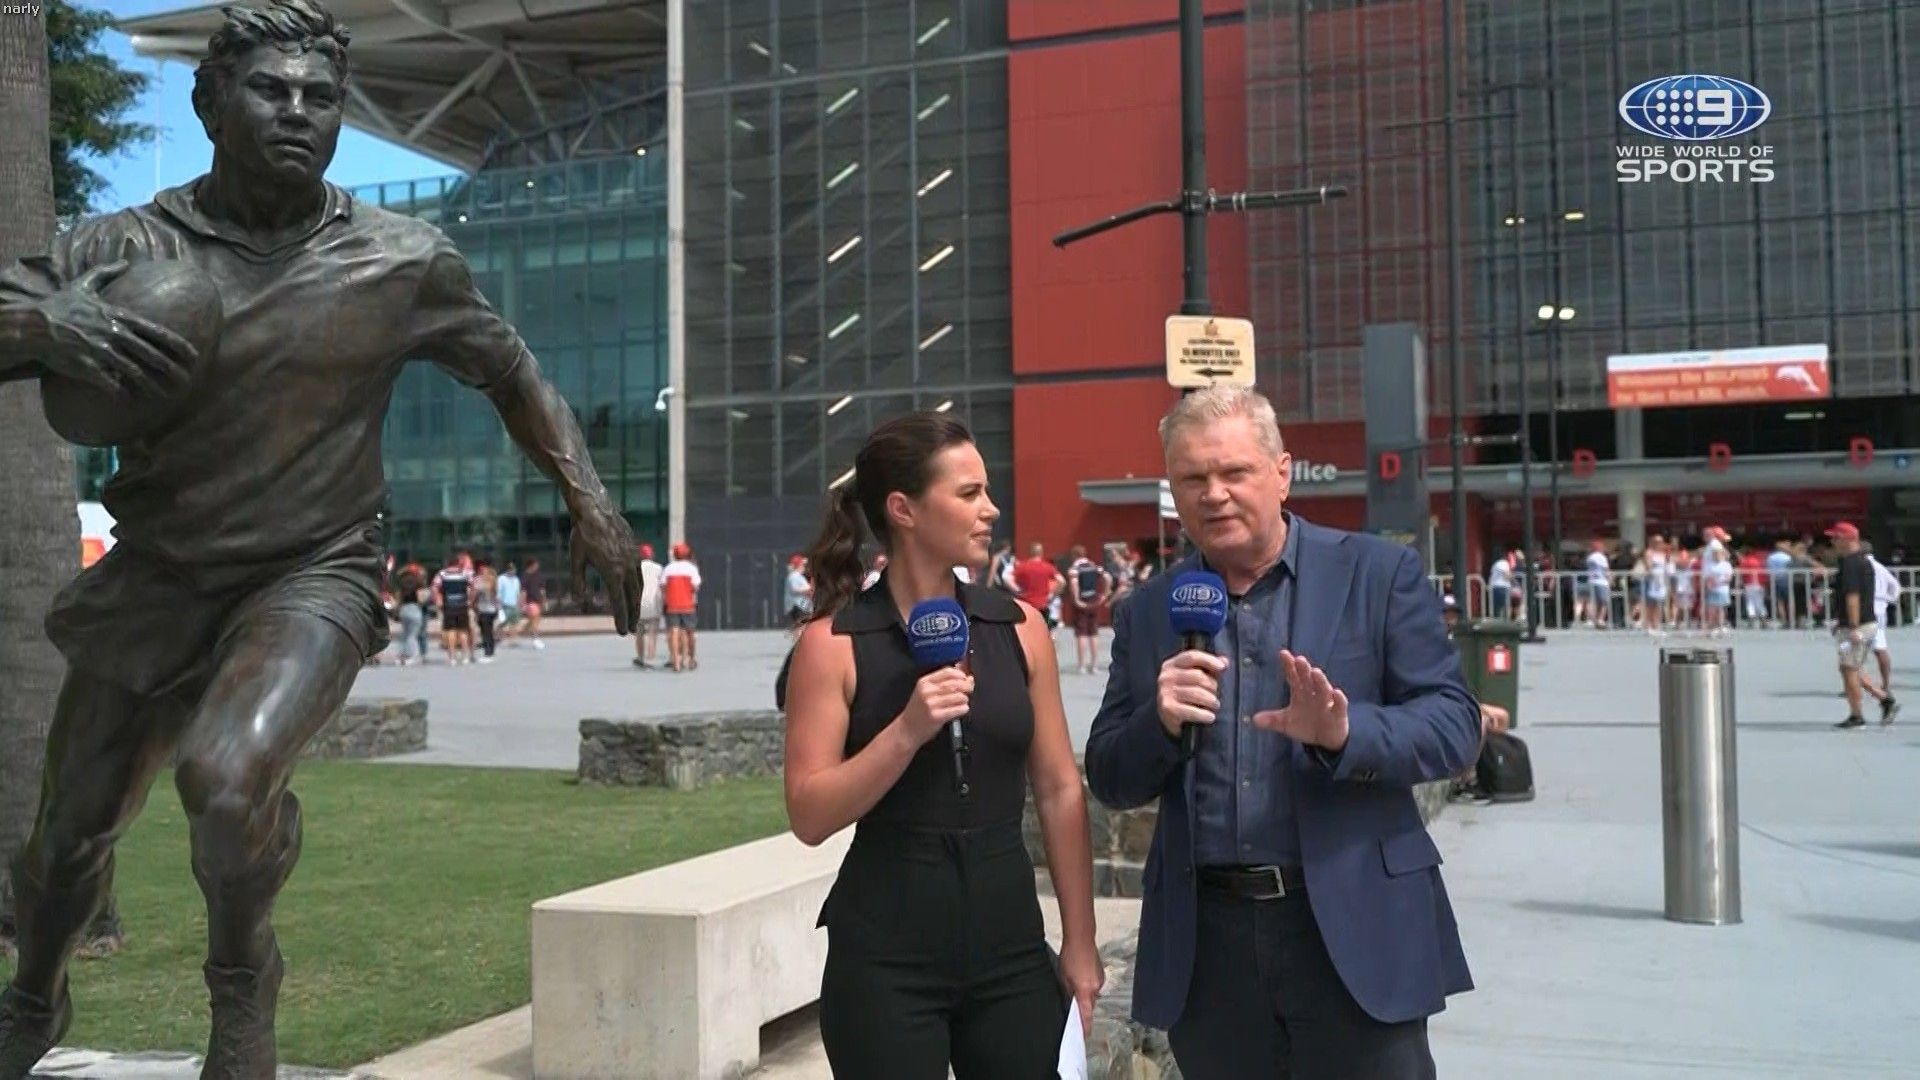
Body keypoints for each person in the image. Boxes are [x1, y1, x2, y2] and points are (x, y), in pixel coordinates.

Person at [0, 4, 644, 1073]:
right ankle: (34, 998)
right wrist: (45, 323)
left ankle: (242, 986)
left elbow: (513, 373)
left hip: (310, 575)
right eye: (270, 90)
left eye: (321, 96)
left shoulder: (401, 260)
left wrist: (595, 505)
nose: (298, 112)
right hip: (159, 576)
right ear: (210, 104)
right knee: (67, 839)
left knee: (226, 780)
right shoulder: (123, 247)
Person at [1085, 386, 1478, 1079]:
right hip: (1210, 951)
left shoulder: (1376, 574)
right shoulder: (1150, 610)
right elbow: (1110, 773)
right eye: (1192, 479)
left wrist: (1346, 732)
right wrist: (1159, 722)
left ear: (1282, 473)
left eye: (1233, 472)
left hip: (1352, 931)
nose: (1214, 494)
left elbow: (1454, 724)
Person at [781, 412, 1101, 1078]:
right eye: (969, 493)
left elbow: (1058, 788)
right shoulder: (832, 644)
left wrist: (1081, 940)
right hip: (883, 961)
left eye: (987, 490)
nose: (991, 509)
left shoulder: (1021, 627)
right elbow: (809, 814)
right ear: (904, 510)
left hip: (1011, 951)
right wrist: (904, 734)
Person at [1828, 522, 1895, 729]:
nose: (1833, 542)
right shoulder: (1862, 562)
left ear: (1847, 540)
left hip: (1857, 627)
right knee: (1849, 666)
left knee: (1849, 668)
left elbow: (1853, 596)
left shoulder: (1851, 564)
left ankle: (1857, 716)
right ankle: (1883, 698)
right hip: (1862, 624)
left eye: (1836, 538)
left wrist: (1853, 626)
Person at [1861, 545, 1902, 723]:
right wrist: (1888, 600)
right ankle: (1884, 684)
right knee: (1880, 648)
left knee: (1853, 656)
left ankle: (1879, 690)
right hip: (1879, 609)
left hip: (1867, 611)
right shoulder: (1879, 567)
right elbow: (1896, 587)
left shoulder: (1864, 567)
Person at [1065, 544, 1110, 675]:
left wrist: (1077, 599)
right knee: (1093, 632)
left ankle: (1082, 665)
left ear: (1074, 556)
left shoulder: (1074, 569)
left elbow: (1074, 583)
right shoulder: (1094, 566)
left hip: (1082, 602)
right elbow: (1107, 577)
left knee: (1082, 633)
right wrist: (1105, 594)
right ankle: (1094, 665)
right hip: (1094, 599)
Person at [662, 543, 701, 672]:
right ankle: (691, 659)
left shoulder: (668, 568)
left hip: (672, 605)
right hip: (688, 605)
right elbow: (696, 586)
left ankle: (676, 662)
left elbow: (663, 586)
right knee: (690, 633)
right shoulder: (691, 568)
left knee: (674, 632)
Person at [433, 552, 476, 665]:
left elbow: (435, 587)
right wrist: (470, 600)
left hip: (448, 605)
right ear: (458, 563)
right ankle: (465, 656)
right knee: (463, 630)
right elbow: (473, 587)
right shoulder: (465, 574)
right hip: (462, 604)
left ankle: (452, 657)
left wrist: (438, 600)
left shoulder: (442, 574)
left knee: (450, 631)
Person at [1012, 542, 1062, 630]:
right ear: (1041, 552)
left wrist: (1017, 590)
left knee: (1027, 631)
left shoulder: (1022, 566)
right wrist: (1052, 596)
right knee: (1043, 630)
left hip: (1026, 605)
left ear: (1030, 552)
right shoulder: (1048, 567)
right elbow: (1062, 581)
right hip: (1042, 605)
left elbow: (1007, 578)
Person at [633, 544, 664, 668]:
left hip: (638, 603)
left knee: (639, 633)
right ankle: (651, 656)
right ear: (652, 555)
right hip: (653, 603)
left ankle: (640, 656)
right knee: (652, 632)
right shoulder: (658, 568)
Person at [473, 558, 501, 661]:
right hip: (492, 610)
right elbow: (496, 597)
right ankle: (490, 651)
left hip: (483, 610)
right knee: (489, 631)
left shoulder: (480, 583)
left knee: (485, 632)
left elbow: (474, 594)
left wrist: (472, 603)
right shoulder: (494, 582)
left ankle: (488, 652)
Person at [784, 553, 813, 626]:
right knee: (800, 625)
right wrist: (809, 589)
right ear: (799, 565)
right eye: (803, 565)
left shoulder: (799, 576)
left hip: (802, 606)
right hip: (797, 606)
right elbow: (794, 589)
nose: (804, 567)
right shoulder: (794, 576)